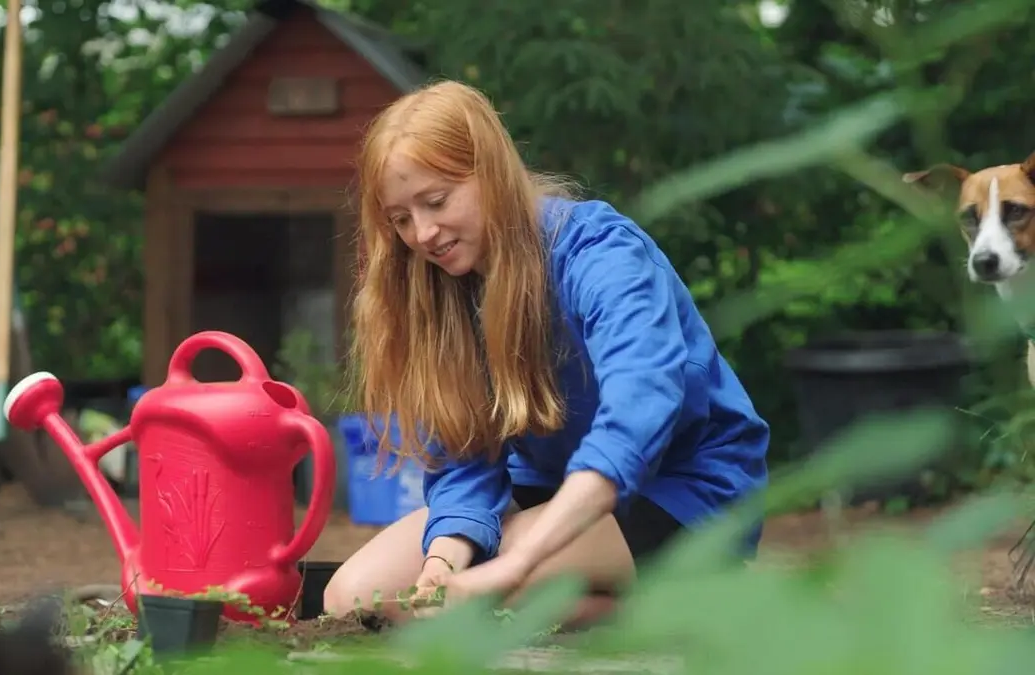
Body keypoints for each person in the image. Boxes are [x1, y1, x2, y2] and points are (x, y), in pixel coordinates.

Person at [322, 79, 769, 626]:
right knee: (356, 598)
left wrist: (514, 566)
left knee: (492, 595)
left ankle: (701, 595)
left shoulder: (600, 254)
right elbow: (466, 454)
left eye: (437, 201)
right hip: (547, 490)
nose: (424, 233)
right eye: (400, 218)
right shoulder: (442, 293)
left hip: (679, 487)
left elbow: (639, 415)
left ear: (492, 171)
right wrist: (445, 560)